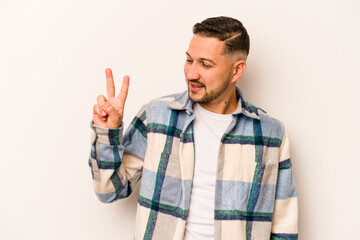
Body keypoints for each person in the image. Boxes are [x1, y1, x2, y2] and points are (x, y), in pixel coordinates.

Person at [89, 16, 298, 240]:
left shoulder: (270, 133)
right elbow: (109, 190)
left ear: (237, 71)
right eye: (189, 60)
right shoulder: (157, 116)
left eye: (206, 64)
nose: (191, 73)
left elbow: (284, 226)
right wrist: (107, 132)